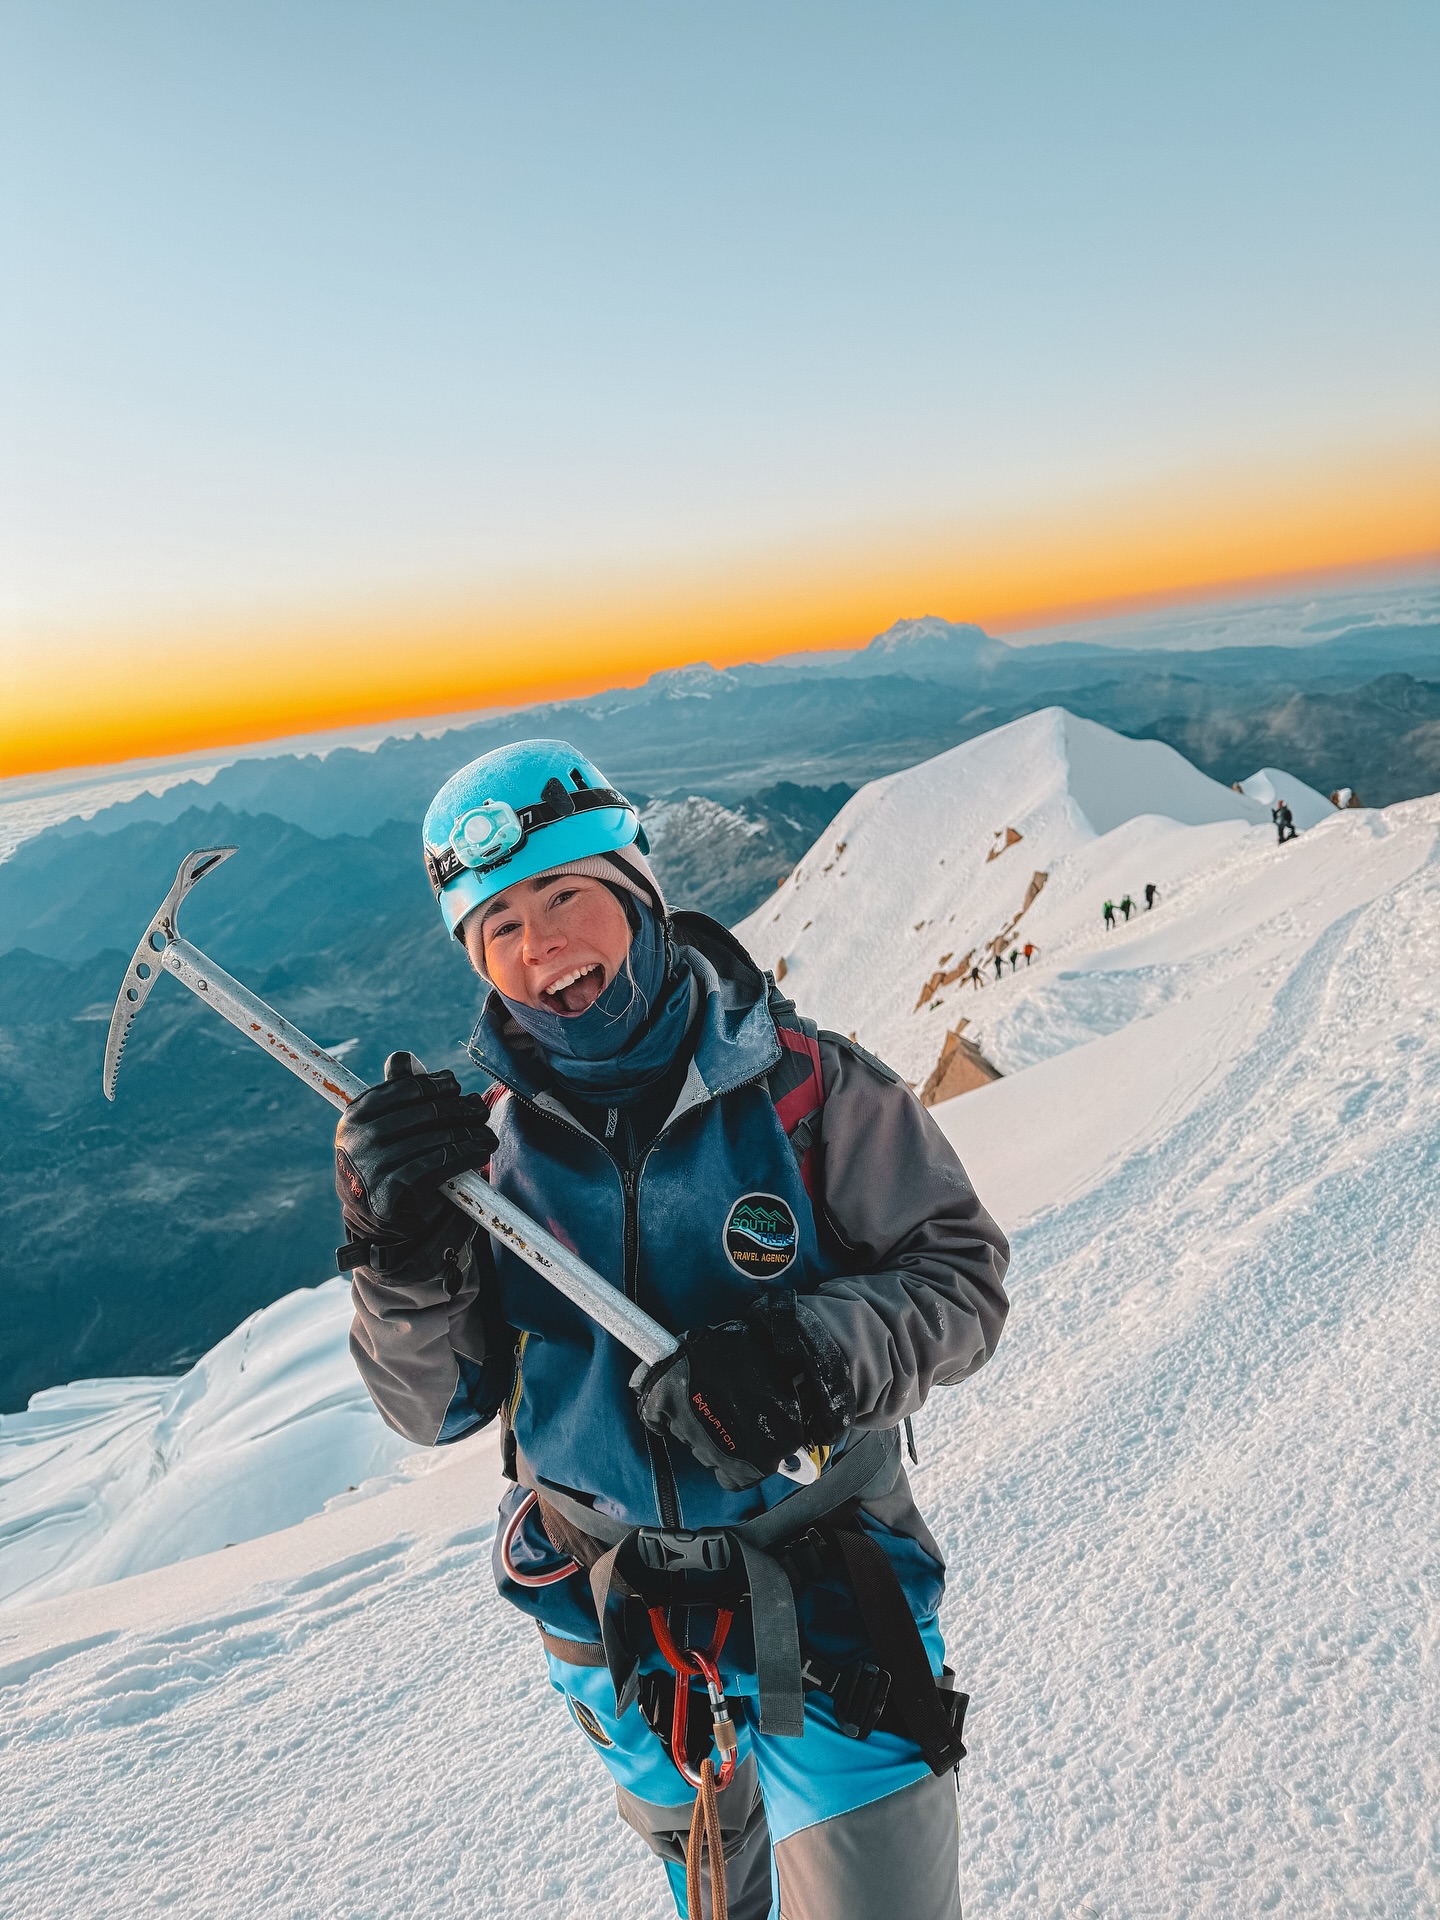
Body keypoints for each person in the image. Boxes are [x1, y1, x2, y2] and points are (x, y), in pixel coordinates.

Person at [336, 741, 1010, 1920]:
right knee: (713, 1896)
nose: (539, 943)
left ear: (637, 894)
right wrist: (396, 1258)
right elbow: (433, 1407)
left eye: (563, 894)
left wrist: (810, 1355)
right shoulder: (476, 1162)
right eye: (497, 924)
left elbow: (962, 1281)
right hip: (616, 1620)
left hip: (830, 1596)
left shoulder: (811, 1089)